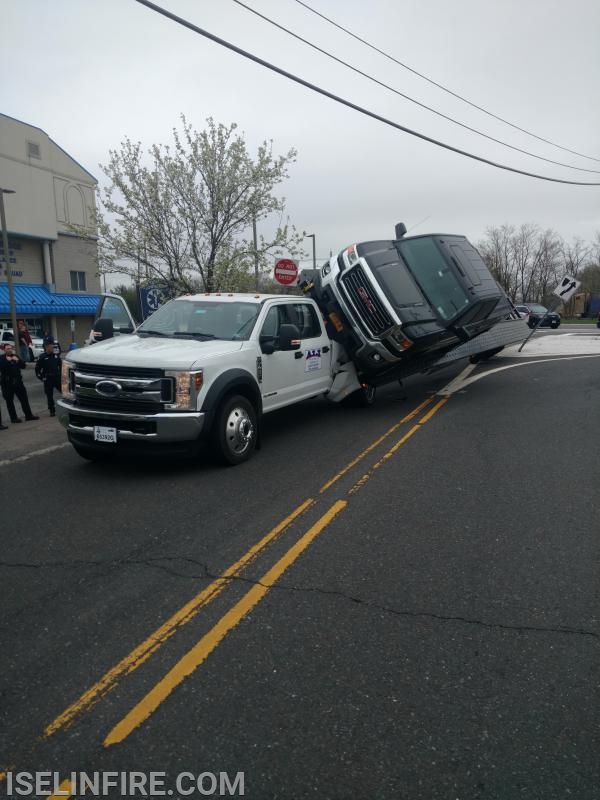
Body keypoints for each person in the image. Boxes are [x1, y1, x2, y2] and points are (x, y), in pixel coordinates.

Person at [0, 343, 39, 423]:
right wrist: (8, 361)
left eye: (10, 348)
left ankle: (28, 415)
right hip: (7, 383)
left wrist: (18, 360)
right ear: (4, 350)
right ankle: (14, 418)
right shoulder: (2, 358)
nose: (9, 350)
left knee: (24, 399)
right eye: (7, 348)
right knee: (9, 401)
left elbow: (23, 366)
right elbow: (2, 367)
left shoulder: (15, 356)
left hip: (18, 382)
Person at [35, 337, 62, 416]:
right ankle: (52, 410)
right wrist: (41, 378)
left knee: (64, 393)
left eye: (53, 347)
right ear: (46, 348)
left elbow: (61, 366)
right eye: (50, 347)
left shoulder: (56, 356)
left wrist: (60, 374)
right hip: (48, 378)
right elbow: (37, 369)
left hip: (56, 377)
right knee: (49, 395)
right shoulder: (42, 357)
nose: (52, 348)